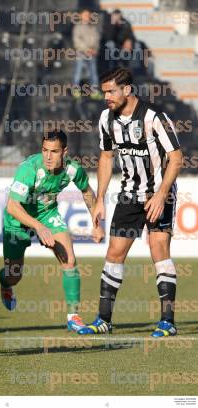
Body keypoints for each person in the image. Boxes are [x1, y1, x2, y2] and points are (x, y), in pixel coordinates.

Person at [78, 68, 183, 337]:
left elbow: (176, 158)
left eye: (111, 91)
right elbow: (105, 158)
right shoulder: (106, 118)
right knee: (113, 253)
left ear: (127, 90)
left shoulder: (154, 117)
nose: (107, 98)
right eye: (104, 93)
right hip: (128, 194)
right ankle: (104, 320)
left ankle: (167, 322)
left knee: (159, 249)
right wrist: (100, 199)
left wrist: (161, 194)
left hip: (158, 194)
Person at [0, 130, 105, 331]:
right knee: (14, 275)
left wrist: (96, 224)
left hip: (47, 214)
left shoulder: (72, 169)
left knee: (70, 260)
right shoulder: (29, 169)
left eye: (54, 151)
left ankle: (73, 317)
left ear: (65, 151)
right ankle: (4, 283)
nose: (48, 156)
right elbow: (13, 206)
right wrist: (38, 227)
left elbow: (87, 191)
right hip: (17, 219)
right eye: (45, 150)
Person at [72, 9, 102, 99]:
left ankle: (94, 92)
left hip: (91, 54)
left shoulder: (93, 28)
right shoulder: (77, 27)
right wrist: (86, 49)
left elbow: (97, 40)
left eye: (88, 15)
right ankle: (75, 90)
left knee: (93, 73)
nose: (87, 17)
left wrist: (95, 50)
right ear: (81, 16)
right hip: (81, 53)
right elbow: (77, 41)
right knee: (78, 72)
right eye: (85, 15)